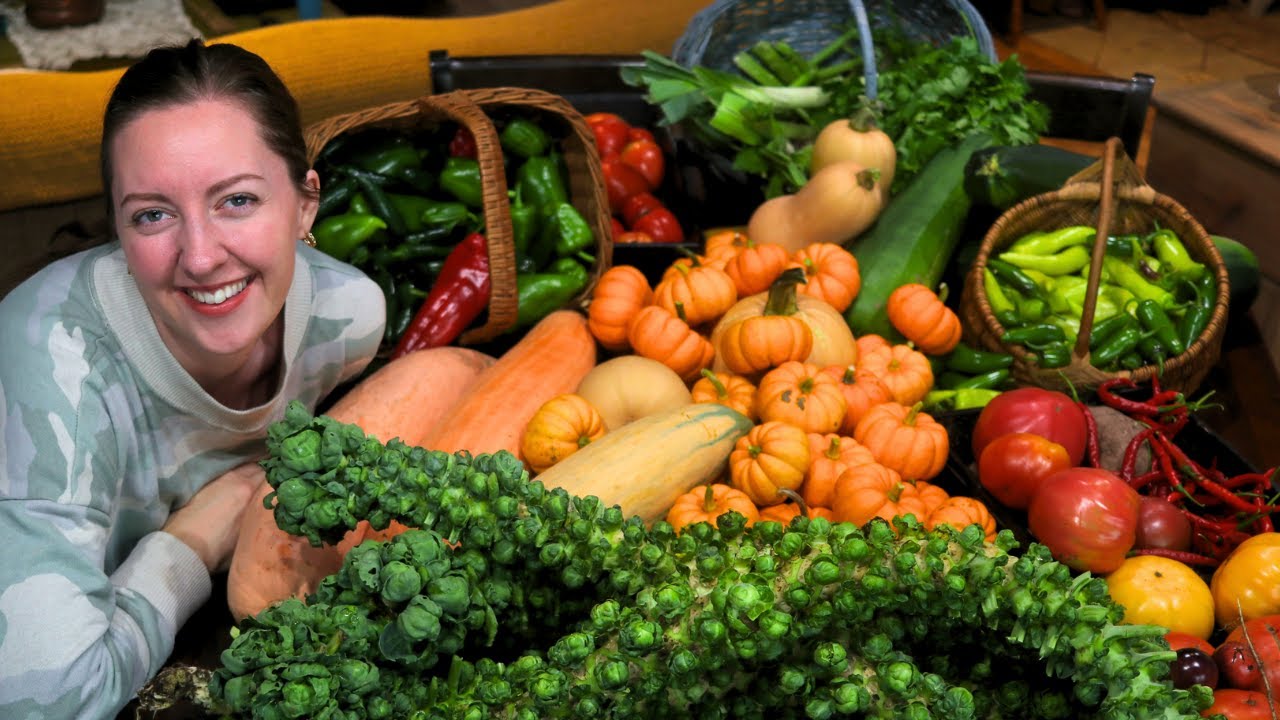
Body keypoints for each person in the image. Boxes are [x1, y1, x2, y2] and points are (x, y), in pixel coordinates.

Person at [0, 39, 385, 719]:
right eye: (153, 214)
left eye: (236, 200)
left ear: (304, 205)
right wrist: (190, 543)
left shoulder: (348, 321)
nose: (201, 257)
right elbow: (47, 700)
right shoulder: (53, 360)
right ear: (118, 226)